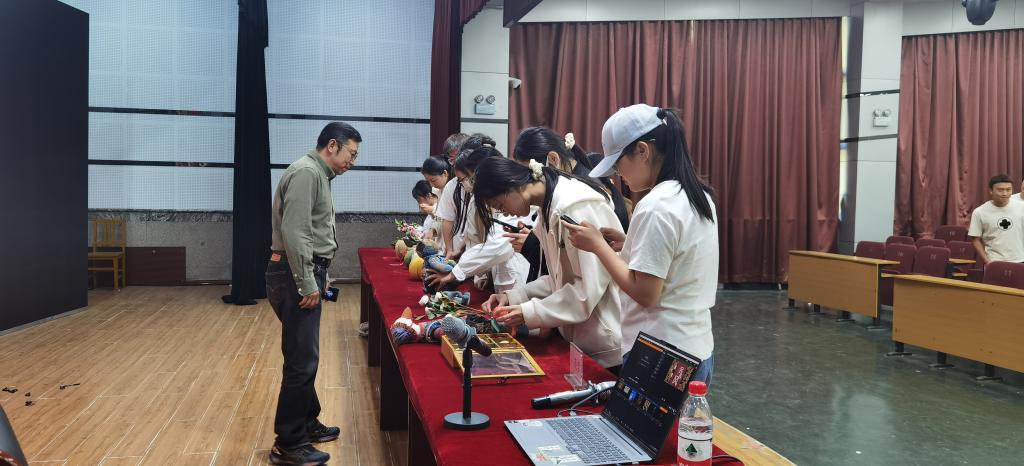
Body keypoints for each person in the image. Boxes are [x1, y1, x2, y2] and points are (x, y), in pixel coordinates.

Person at [564, 104, 718, 385]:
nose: (617, 174)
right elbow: (679, 258)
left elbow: (646, 293)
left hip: (661, 354)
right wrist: (630, 245)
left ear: (643, 151)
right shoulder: (697, 196)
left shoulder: (656, 206)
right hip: (696, 346)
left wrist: (598, 247)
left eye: (618, 163)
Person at [265, 122, 361, 465]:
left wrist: (321, 275)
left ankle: (306, 422)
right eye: (351, 153)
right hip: (294, 275)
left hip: (304, 271)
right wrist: (307, 282)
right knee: (301, 360)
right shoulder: (307, 173)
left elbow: (313, 233)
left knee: (304, 354)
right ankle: (288, 442)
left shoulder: (318, 173)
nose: (352, 161)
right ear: (332, 145)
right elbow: (296, 232)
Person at [474, 156, 625, 369]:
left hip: (606, 342)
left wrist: (528, 312)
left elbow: (587, 290)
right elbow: (559, 279)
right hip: (582, 338)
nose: (505, 213)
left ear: (512, 184)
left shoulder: (575, 208)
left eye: (500, 205)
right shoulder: (547, 208)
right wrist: (514, 296)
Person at [426, 146, 530, 294]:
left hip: (519, 277)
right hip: (498, 276)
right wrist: (482, 274)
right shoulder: (475, 201)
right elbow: (475, 241)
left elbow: (497, 245)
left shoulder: (515, 196)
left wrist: (457, 272)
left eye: (469, 179)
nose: (469, 183)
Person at [435, 134, 495, 257]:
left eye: (459, 157)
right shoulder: (453, 186)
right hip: (468, 251)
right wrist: (452, 250)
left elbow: (493, 239)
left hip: (483, 254)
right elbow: (450, 220)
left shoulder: (490, 191)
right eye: (451, 159)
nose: (455, 163)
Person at [968, 174, 1024, 265]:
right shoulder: (979, 212)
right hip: (994, 261)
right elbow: (975, 239)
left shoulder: (1021, 207)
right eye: (1000, 190)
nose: (1005, 193)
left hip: (1020, 259)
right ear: (991, 191)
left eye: (1008, 189)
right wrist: (987, 261)